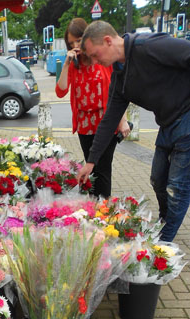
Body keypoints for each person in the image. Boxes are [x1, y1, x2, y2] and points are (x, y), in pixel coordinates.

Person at [78, 20, 190, 241]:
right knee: (158, 180)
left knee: (177, 188)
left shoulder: (148, 46)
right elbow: (109, 120)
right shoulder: (119, 78)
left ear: (108, 41)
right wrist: (90, 162)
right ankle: (165, 222)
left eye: (94, 54)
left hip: (187, 117)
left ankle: (163, 242)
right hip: (167, 124)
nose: (93, 61)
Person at [56, 18, 130, 198]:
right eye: (71, 42)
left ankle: (103, 209)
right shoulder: (74, 64)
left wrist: (123, 120)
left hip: (105, 122)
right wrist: (66, 64)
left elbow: (117, 91)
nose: (75, 45)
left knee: (103, 169)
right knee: (91, 169)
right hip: (84, 124)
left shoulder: (103, 59)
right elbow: (60, 91)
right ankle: (93, 205)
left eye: (78, 40)